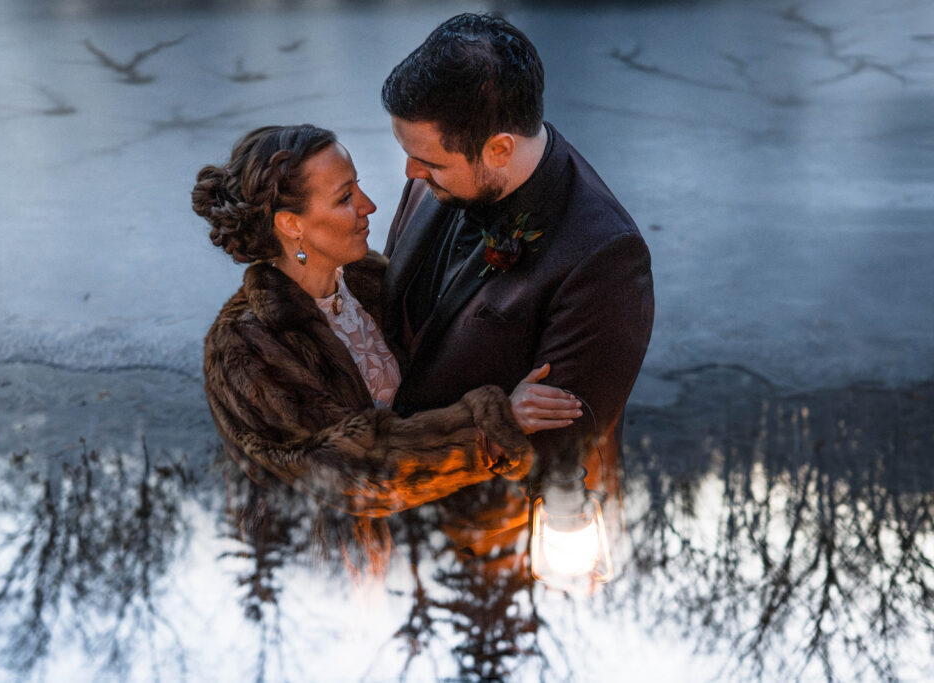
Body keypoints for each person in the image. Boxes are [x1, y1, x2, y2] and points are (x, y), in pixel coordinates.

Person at [194, 124, 581, 528]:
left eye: (357, 185)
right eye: (345, 197)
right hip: (331, 570)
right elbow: (360, 472)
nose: (370, 205)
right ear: (292, 224)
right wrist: (495, 424)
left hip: (420, 541)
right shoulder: (244, 346)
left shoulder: (368, 278)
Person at [381, 13, 655, 565]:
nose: (410, 172)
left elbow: (561, 441)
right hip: (393, 509)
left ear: (500, 149)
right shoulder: (439, 176)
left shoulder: (604, 256)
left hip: (486, 540)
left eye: (429, 160)